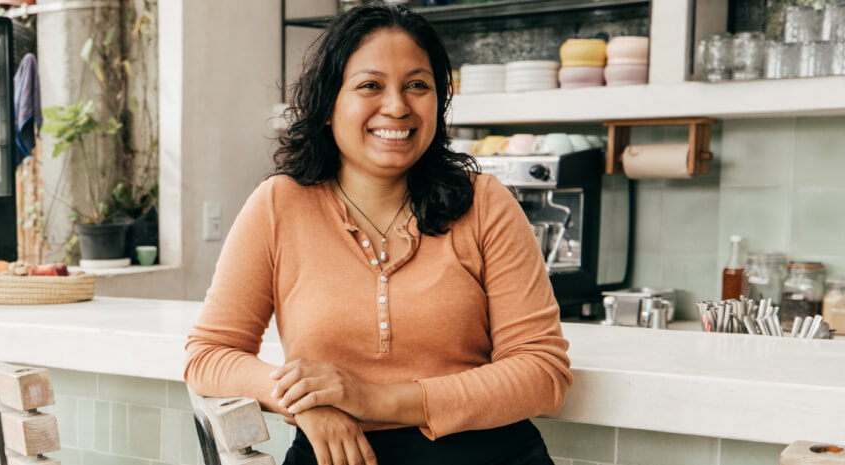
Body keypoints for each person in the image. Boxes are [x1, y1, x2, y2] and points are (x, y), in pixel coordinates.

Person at [182, 4, 571, 465]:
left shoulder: (485, 203)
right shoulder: (279, 205)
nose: (397, 106)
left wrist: (371, 399)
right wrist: (304, 399)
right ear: (328, 104)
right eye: (370, 85)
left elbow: (542, 374)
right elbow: (208, 356)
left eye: (417, 86)